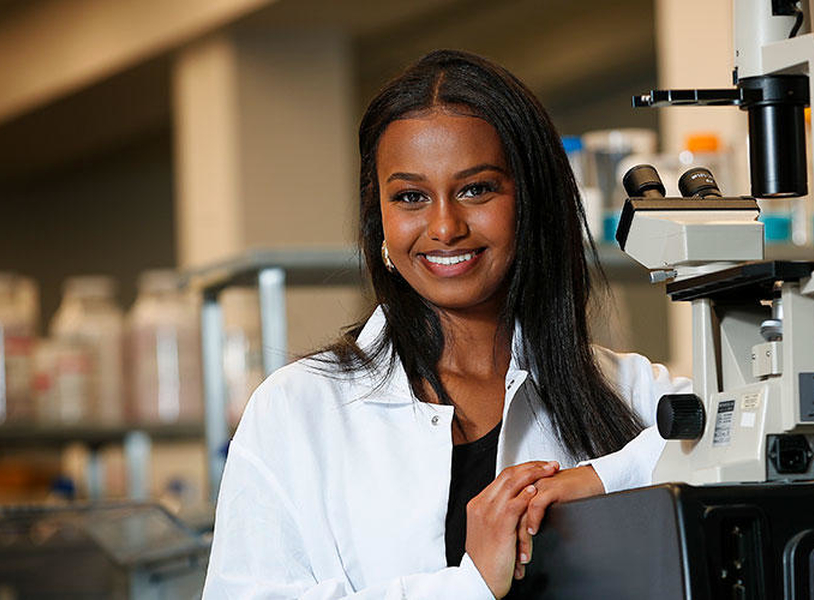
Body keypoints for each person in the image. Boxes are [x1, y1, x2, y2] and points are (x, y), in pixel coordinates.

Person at [202, 49, 689, 599]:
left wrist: (597, 480)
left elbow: (760, 438)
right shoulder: (298, 411)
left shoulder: (624, 389)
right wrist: (470, 585)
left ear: (530, 201)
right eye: (411, 197)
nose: (444, 226)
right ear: (379, 216)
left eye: (476, 189)